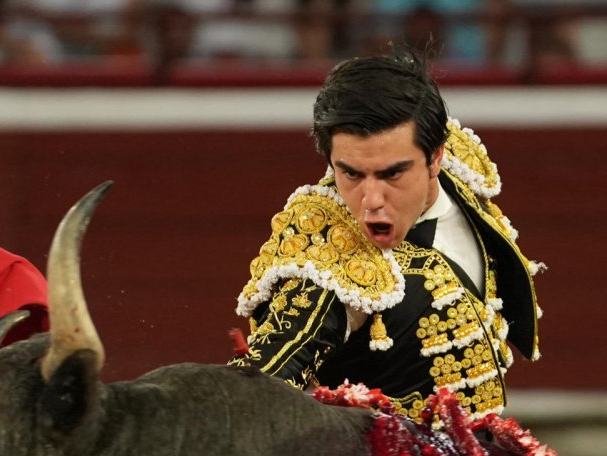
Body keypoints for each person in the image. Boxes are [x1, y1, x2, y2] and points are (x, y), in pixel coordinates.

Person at [230, 49, 543, 419]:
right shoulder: (328, 263)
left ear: (437, 157)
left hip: (486, 451)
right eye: (351, 174)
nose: (371, 201)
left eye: (392, 174)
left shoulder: (460, 170)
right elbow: (257, 389)